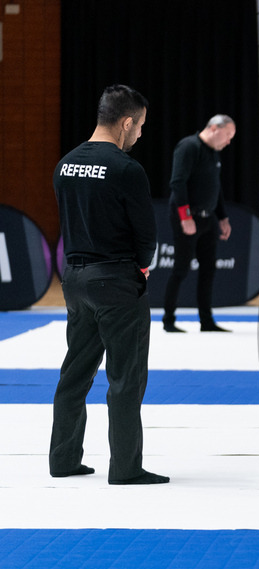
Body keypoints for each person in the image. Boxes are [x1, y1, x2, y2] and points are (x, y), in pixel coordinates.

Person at [49, 84, 168, 485]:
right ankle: (126, 467)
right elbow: (145, 234)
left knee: (75, 373)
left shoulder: (64, 165)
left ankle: (63, 460)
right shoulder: (125, 169)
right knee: (125, 378)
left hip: (75, 279)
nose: (139, 135)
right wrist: (141, 266)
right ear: (127, 122)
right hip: (116, 280)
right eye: (140, 127)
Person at [162, 115, 236, 332]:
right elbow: (177, 183)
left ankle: (206, 321)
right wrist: (185, 218)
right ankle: (168, 321)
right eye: (228, 135)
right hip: (186, 216)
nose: (229, 141)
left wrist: (223, 217)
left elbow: (216, 187)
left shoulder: (213, 153)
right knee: (181, 269)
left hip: (208, 218)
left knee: (208, 270)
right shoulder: (188, 147)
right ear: (214, 128)